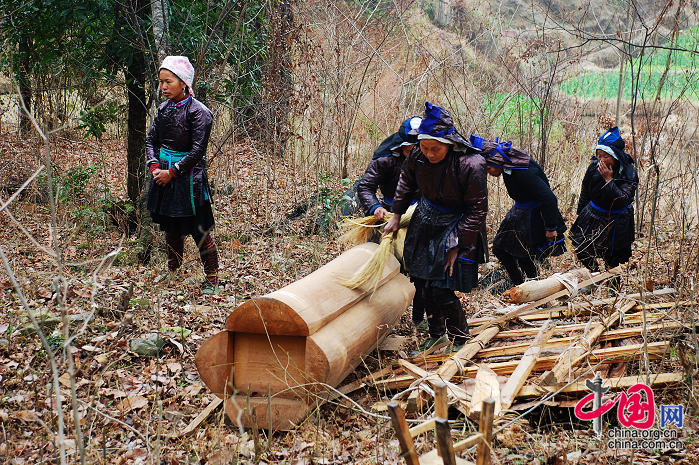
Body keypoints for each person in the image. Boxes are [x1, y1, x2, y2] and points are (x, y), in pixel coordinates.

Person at [385, 102, 488, 350]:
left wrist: (458, 245)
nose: (429, 154)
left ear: (449, 144)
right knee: (422, 283)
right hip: (426, 219)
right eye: (424, 147)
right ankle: (436, 334)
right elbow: (406, 183)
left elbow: (477, 210)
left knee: (441, 288)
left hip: (458, 222)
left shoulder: (470, 164)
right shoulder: (417, 157)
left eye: (435, 149)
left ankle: (461, 338)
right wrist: (397, 214)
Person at [146, 56, 219, 289]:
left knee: (200, 229)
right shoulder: (163, 109)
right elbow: (151, 140)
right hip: (164, 177)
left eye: (168, 82)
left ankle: (212, 279)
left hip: (191, 181)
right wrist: (155, 167)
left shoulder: (200, 113)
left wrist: (173, 172)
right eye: (161, 82)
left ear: (184, 82)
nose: (163, 87)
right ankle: (173, 274)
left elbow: (198, 151)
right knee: (171, 228)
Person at [356, 116, 426, 325]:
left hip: (421, 216)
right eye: (409, 148)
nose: (413, 153)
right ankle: (383, 318)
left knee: (421, 271)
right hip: (388, 216)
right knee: (385, 266)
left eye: (418, 148)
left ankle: (418, 318)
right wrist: (375, 207)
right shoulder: (386, 160)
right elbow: (365, 186)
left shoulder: (431, 160)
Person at [473, 136, 567, 285]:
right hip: (520, 210)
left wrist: (550, 227)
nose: (489, 172)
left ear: (496, 161)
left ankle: (531, 286)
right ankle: (519, 283)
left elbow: (549, 198)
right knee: (499, 248)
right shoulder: (508, 165)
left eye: (489, 168)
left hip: (533, 215)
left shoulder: (523, 171)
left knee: (523, 254)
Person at [570, 127, 638, 272]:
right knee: (581, 248)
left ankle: (613, 287)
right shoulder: (593, 167)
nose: (601, 160)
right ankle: (595, 275)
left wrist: (609, 180)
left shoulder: (629, 172)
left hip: (618, 220)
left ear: (616, 156)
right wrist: (581, 213)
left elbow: (624, 199)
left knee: (613, 258)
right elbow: (585, 190)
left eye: (605, 156)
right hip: (593, 214)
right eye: (598, 155)